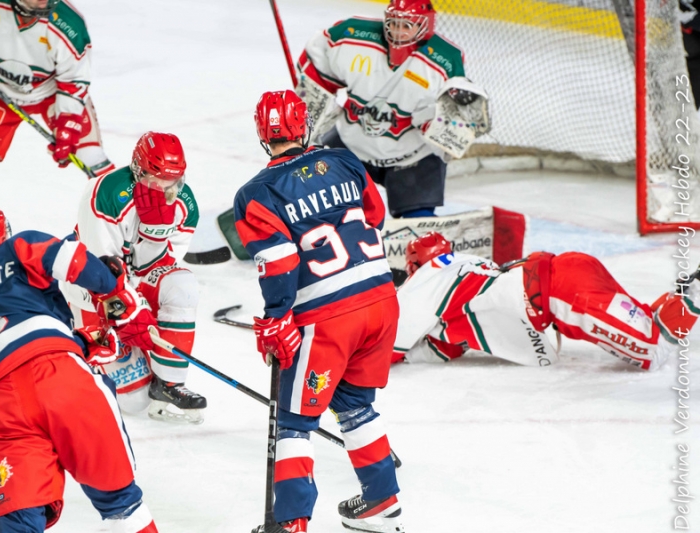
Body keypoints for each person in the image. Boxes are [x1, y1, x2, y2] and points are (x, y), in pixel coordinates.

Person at [235, 90, 404, 533]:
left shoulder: (256, 192)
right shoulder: (346, 161)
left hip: (329, 317)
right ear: (303, 126)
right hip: (382, 300)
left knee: (293, 421)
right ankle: (382, 502)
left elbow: (280, 261)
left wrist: (276, 317)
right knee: (353, 402)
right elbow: (376, 214)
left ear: (261, 133)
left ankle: (290, 524)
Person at [0, 199, 159, 533]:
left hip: (2, 408)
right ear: (3, 229)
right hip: (58, 378)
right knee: (121, 503)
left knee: (19, 520)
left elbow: (10, 347)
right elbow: (74, 262)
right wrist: (114, 285)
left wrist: (79, 344)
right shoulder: (17, 246)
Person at [0, 0, 115, 248]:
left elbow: (74, 81)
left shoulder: (69, 25)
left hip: (53, 93)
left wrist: (68, 125)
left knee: (91, 156)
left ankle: (122, 217)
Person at [393, 232, 699, 371]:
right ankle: (686, 292)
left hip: (564, 295)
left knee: (652, 350)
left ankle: (696, 291)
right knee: (647, 321)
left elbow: (391, 343)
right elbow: (451, 341)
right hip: (571, 268)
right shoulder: (466, 265)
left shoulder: (425, 280)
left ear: (415, 266)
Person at [295, 0, 489, 219]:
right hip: (352, 146)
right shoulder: (352, 35)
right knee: (319, 208)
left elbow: (449, 116)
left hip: (411, 156)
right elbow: (316, 63)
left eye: (407, 25)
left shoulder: (444, 60)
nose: (398, 31)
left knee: (418, 222)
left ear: (426, 25)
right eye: (394, 23)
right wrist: (314, 102)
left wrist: (448, 126)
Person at [71, 131, 207, 424]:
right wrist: (131, 312)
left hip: (136, 287)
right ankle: (66, 320)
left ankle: (169, 383)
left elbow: (162, 267)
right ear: (137, 170)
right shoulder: (105, 193)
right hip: (90, 291)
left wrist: (153, 234)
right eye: (155, 180)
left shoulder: (185, 203)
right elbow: (99, 273)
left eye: (172, 182)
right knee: (134, 402)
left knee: (182, 285)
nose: (164, 190)